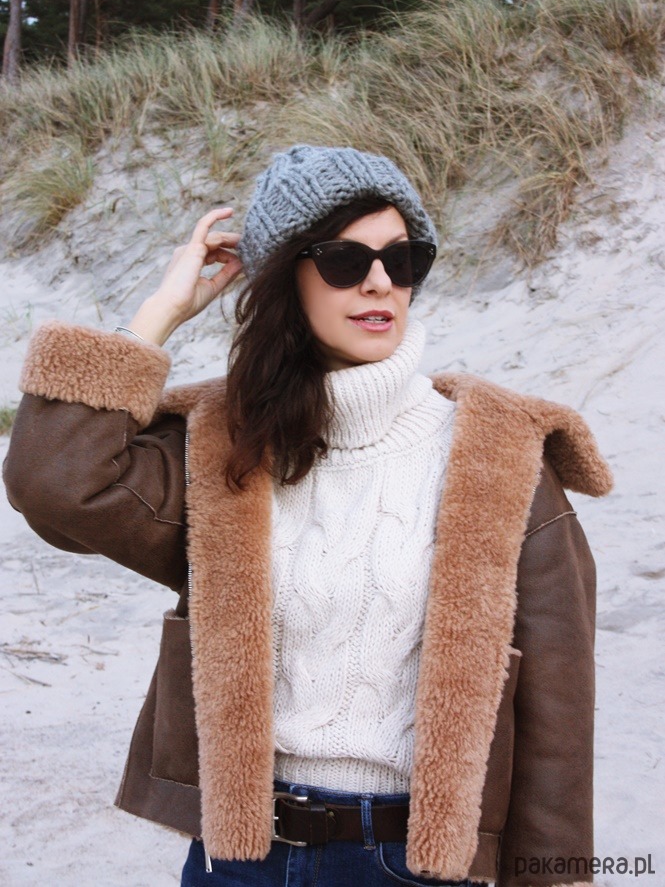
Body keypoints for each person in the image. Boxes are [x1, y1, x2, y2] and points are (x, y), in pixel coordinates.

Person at [3, 144, 613, 887]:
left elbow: (557, 712)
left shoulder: (499, 453)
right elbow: (54, 482)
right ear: (284, 277)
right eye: (344, 260)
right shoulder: (226, 448)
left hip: (411, 864)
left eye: (401, 258)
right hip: (239, 856)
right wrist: (158, 314)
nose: (380, 282)